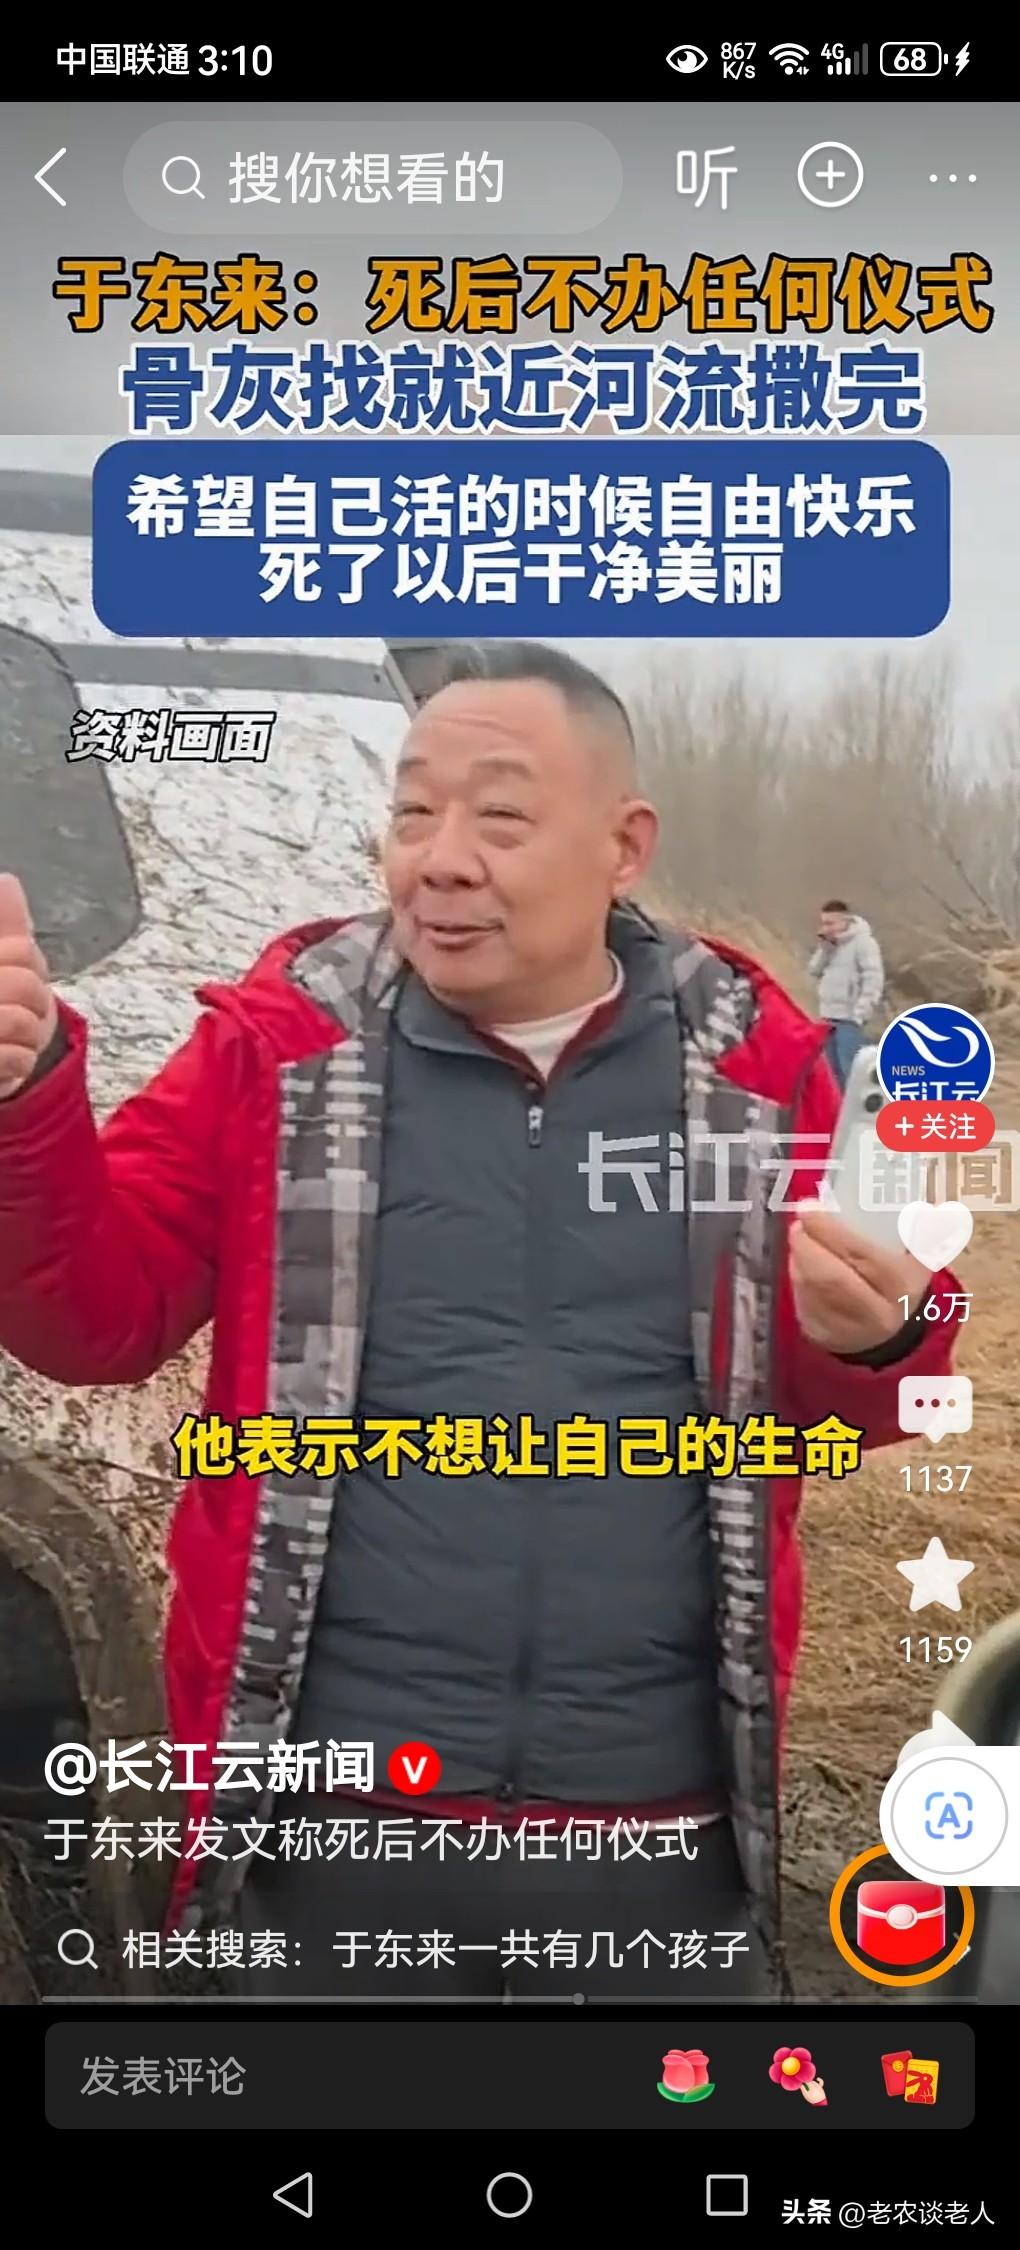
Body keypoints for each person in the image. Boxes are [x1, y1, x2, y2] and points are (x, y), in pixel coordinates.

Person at [0, 642, 960, 2000]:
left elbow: (891, 1376)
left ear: (624, 846)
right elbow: (91, 1321)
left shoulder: (762, 1072)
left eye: (500, 817)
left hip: (658, 1829)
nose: (441, 860)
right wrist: (27, 1096)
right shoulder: (278, 1051)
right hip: (336, 1825)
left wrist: (884, 1335)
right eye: (412, 812)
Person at [808, 898, 885, 1090]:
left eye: (831, 923)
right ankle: (837, 1108)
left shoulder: (864, 943)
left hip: (849, 1018)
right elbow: (814, 970)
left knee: (849, 1071)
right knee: (831, 1073)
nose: (826, 928)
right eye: (824, 923)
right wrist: (825, 949)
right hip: (828, 1015)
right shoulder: (830, 945)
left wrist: (860, 1014)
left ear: (846, 921)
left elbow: (873, 979)